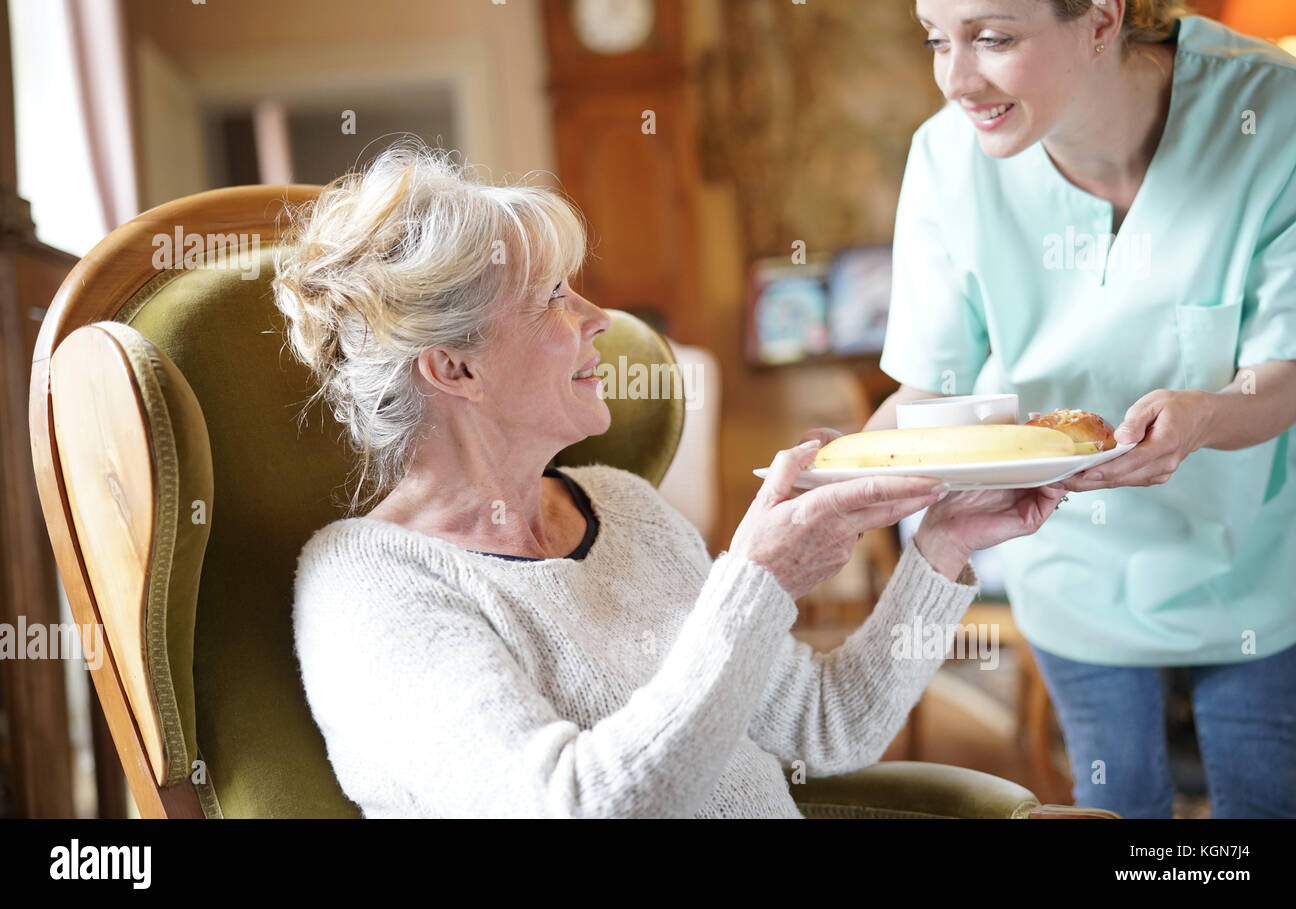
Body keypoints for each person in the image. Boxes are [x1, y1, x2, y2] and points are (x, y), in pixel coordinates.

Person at [273, 141, 1068, 817]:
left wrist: (942, 546)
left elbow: (829, 723)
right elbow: (576, 805)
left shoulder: (625, 507)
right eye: (552, 297)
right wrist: (755, 583)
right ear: (455, 367)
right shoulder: (366, 590)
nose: (599, 319)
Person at [807, 0, 1296, 818]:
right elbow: (930, 395)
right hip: (1071, 561)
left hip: (1255, 558)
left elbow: (1287, 369)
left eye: (992, 38)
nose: (956, 80)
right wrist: (834, 471)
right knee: (1117, 814)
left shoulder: (1274, 115)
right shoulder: (946, 162)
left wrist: (1204, 415)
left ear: (1102, 19)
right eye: (935, 40)